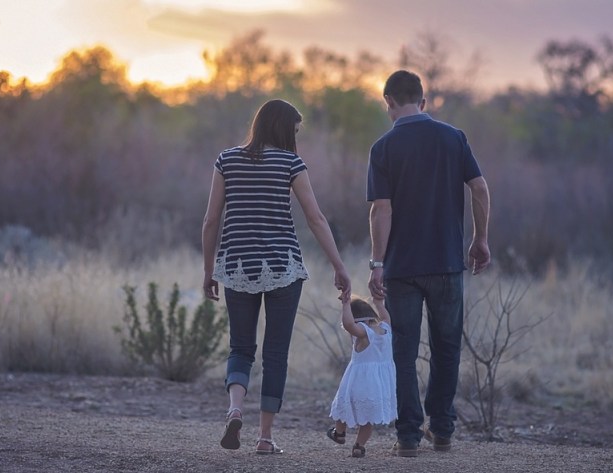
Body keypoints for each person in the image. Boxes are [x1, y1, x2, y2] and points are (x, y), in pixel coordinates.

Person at [202, 98, 351, 455]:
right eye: (295, 130)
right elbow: (315, 218)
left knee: (240, 347)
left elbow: (210, 220)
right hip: (283, 267)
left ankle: (235, 408)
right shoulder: (290, 163)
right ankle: (265, 438)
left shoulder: (226, 160)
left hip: (236, 266)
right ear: (285, 128)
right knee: (276, 354)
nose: (296, 137)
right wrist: (339, 266)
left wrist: (209, 271)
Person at [366, 70, 491, 457]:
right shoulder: (453, 138)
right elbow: (480, 188)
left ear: (388, 101)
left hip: (402, 268)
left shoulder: (383, 147)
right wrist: (480, 238)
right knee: (447, 347)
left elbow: (380, 210)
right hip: (447, 263)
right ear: (423, 101)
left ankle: (407, 436)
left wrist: (377, 262)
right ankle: (442, 430)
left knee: (403, 351)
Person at [326, 294, 396, 458]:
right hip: (379, 385)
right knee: (368, 418)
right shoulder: (386, 328)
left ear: (359, 321)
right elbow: (385, 316)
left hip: (359, 381)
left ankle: (340, 433)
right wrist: (379, 303)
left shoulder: (363, 333)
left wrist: (345, 305)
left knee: (343, 405)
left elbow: (349, 324)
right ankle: (359, 446)